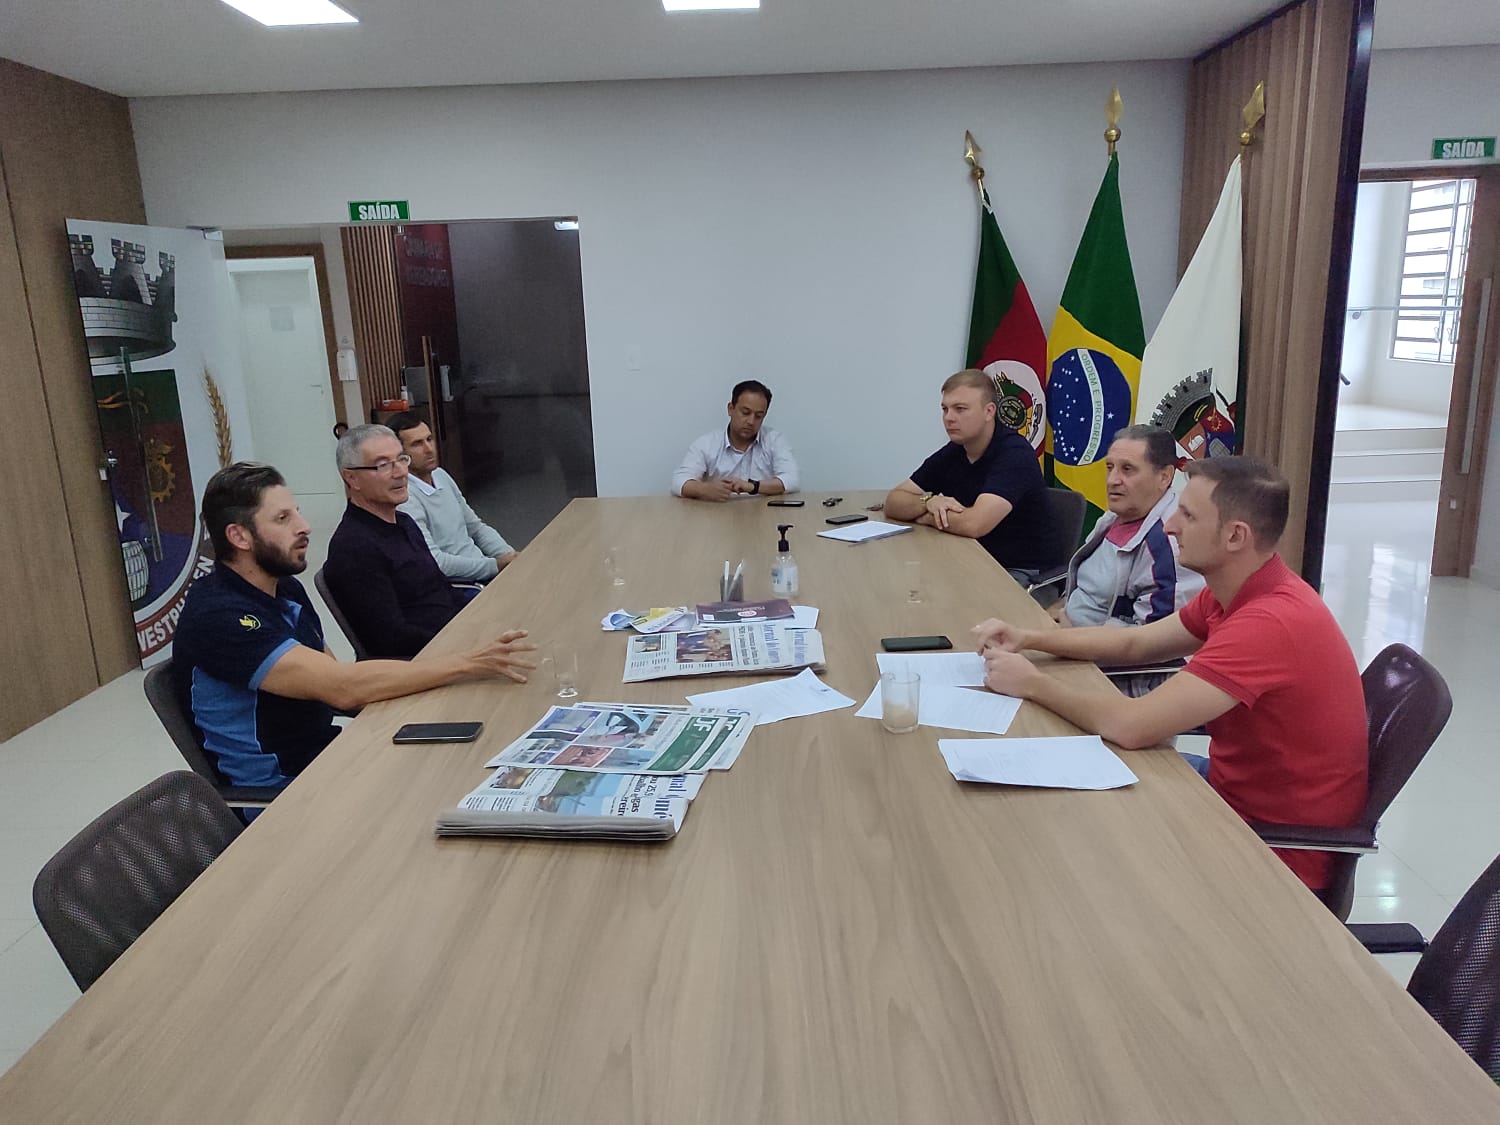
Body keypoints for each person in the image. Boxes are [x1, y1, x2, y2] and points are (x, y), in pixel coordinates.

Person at [973, 455, 1368, 893]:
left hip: (1270, 853)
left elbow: (1133, 725)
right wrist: (1029, 637)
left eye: (1188, 514)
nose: (1169, 525)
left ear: (1236, 536)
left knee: (1077, 854)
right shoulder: (1237, 588)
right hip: (1231, 794)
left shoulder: (1267, 624)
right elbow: (1134, 643)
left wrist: (1032, 683)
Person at [173, 462, 536, 792]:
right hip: (279, 793)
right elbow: (342, 688)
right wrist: (468, 664)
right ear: (239, 537)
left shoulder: (282, 585)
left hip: (329, 757)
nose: (304, 526)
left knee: (470, 766)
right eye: (283, 519)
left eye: (297, 512)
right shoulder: (217, 616)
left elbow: (333, 673)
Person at [884, 369, 1051, 580]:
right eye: (945, 409)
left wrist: (926, 516)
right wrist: (928, 502)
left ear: (989, 411)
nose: (949, 418)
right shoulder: (955, 450)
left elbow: (974, 525)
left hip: (1017, 572)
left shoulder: (1015, 455)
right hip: (966, 557)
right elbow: (893, 501)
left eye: (960, 409)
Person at [324, 424, 469, 659]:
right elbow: (392, 638)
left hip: (455, 640)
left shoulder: (405, 523)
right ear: (351, 478)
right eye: (383, 465)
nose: (400, 472)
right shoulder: (353, 548)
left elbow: (441, 588)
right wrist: (462, 643)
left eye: (401, 459)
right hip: (426, 661)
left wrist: (478, 620)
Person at [1059, 424, 1203, 628]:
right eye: (1110, 468)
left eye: (1127, 469)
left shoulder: (1173, 544)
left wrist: (1064, 637)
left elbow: (1153, 645)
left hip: (1090, 654)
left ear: (1164, 477)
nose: (1112, 480)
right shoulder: (1118, 514)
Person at [387, 410, 518, 584]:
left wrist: (509, 556)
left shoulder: (440, 475)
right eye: (417, 444)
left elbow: (476, 528)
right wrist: (496, 565)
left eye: (429, 439)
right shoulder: (405, 496)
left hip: (484, 572)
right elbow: (436, 561)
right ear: (400, 456)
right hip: (458, 585)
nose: (429, 449)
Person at [671, 380, 800, 500]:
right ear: (730, 409)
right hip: (718, 514)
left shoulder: (774, 441)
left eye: (758, 416)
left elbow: (792, 480)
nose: (751, 421)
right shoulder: (707, 444)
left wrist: (752, 487)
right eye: (745, 412)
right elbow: (678, 482)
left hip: (763, 515)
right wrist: (705, 489)